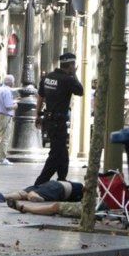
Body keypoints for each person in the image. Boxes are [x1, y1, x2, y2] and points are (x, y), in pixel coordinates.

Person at [34, 53, 83, 186]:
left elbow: (40, 96)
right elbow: (80, 91)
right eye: (73, 66)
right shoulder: (68, 80)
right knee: (56, 153)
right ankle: (40, 182)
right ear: (72, 65)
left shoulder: (47, 78)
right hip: (59, 122)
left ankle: (62, 178)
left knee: (62, 151)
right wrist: (74, 75)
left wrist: (37, 115)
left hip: (48, 120)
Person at [0, 180, 84, 203]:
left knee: (22, 193)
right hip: (59, 189)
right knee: (32, 194)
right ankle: (34, 196)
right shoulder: (81, 189)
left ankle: (1, 196)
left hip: (51, 184)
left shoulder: (78, 186)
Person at [0, 74, 17, 165]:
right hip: (5, 116)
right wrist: (15, 105)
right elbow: (8, 107)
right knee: (5, 138)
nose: (14, 83)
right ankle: (2, 158)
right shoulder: (7, 91)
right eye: (13, 81)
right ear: (10, 82)